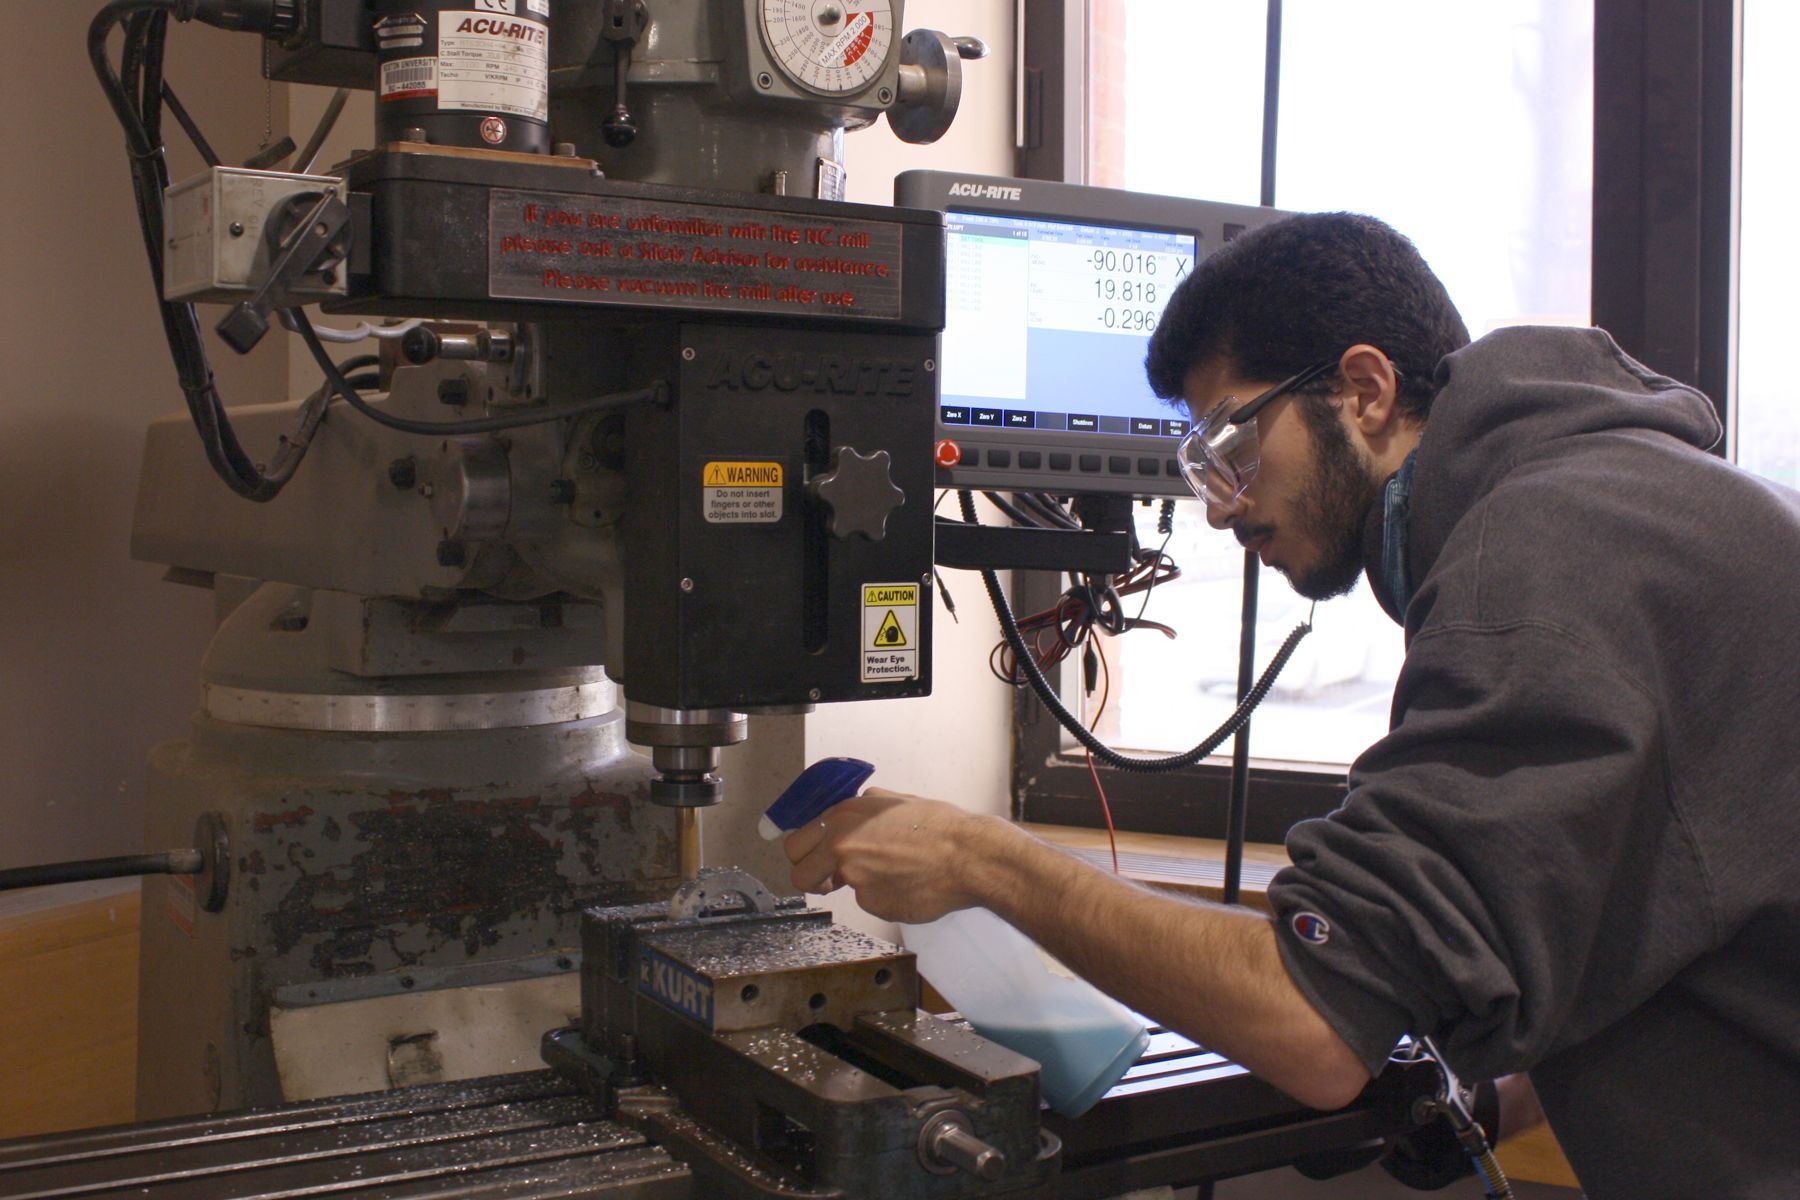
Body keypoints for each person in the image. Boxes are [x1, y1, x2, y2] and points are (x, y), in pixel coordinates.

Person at [784, 213, 1800, 1199]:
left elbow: (1313, 1031)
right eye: (1202, 466)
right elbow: (1663, 921)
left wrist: (977, 857)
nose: (1222, 504)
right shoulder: (1629, 507)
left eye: (1232, 441)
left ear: (1363, 390)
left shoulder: (1543, 567)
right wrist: (1498, 1101)